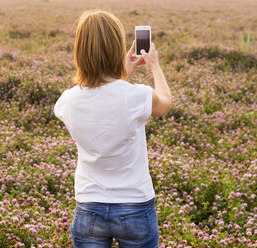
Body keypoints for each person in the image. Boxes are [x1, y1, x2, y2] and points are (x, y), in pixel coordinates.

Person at [54, 10, 172, 248]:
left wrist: (122, 74)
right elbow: (164, 103)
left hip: (88, 207)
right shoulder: (136, 96)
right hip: (135, 205)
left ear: (80, 51)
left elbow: (103, 98)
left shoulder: (67, 100)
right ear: (117, 48)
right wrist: (154, 66)